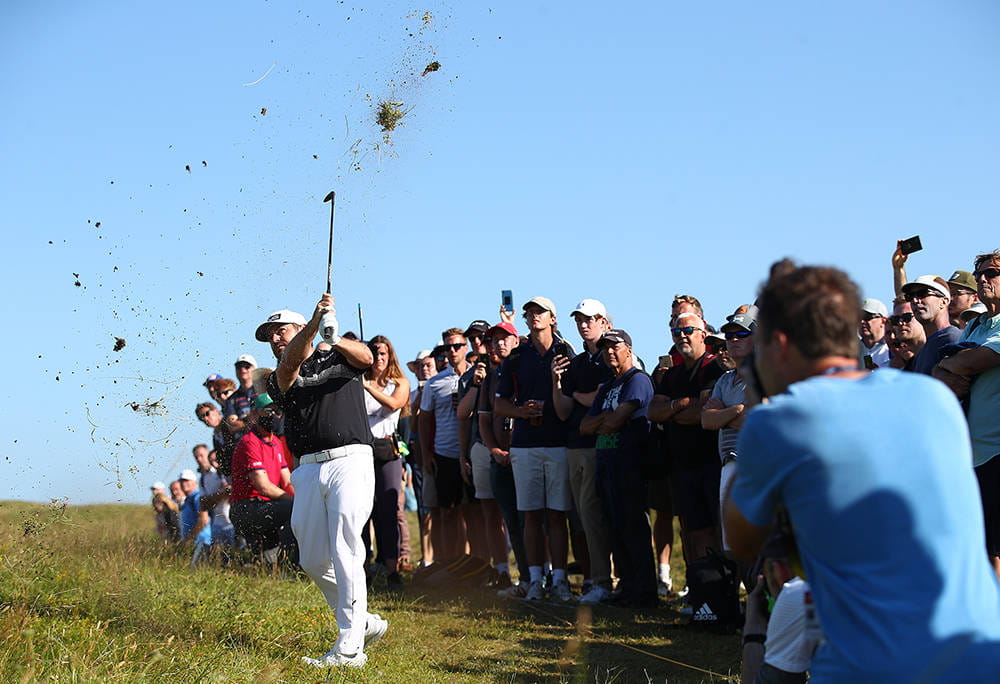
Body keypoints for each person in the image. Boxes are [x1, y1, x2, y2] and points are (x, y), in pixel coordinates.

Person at [724, 259, 1000, 682]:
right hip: (979, 655)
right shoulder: (932, 398)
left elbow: (741, 537)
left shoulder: (780, 421)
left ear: (779, 344)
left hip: (874, 664)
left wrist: (763, 404)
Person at [256, 299, 387, 669]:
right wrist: (315, 323)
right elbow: (290, 367)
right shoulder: (277, 374)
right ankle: (362, 622)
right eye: (270, 335)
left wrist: (336, 337)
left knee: (346, 547)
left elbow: (366, 358)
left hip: (351, 459)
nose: (275, 339)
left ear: (298, 330)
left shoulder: (337, 356)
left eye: (281, 330)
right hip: (309, 469)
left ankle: (350, 648)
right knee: (312, 558)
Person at [495, 296, 574, 602]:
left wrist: (549, 406)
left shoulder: (565, 351)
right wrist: (521, 413)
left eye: (539, 312)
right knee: (530, 514)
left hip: (557, 441)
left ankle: (560, 579)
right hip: (525, 443)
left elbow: (571, 397)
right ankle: (536, 579)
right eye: (529, 313)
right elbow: (499, 403)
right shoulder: (517, 356)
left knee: (556, 514)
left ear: (552, 318)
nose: (533, 316)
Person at [934, 250, 1000, 579]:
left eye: (991, 273)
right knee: (977, 546)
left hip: (997, 451)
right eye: (981, 274)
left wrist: (954, 365)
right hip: (970, 454)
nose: (983, 279)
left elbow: (969, 364)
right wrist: (949, 367)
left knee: (995, 551)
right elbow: (939, 373)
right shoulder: (977, 325)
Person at [580, 329, 657, 608]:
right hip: (606, 463)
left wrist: (605, 420)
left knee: (633, 527)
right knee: (614, 528)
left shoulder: (637, 380)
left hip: (629, 464)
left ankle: (644, 590)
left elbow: (617, 420)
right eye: (605, 349)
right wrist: (606, 418)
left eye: (615, 347)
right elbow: (584, 426)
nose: (609, 352)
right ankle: (626, 586)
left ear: (629, 349)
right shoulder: (609, 386)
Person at [551, 299, 615, 604]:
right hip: (575, 445)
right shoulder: (575, 363)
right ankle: (596, 580)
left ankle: (604, 581)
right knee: (583, 516)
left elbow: (600, 399)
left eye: (589, 319)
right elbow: (564, 411)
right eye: (579, 320)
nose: (583, 324)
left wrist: (575, 393)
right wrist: (557, 382)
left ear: (604, 321)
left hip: (602, 446)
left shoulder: (611, 356)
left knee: (597, 514)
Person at [479, 321, 530, 594]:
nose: (499, 343)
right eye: (494, 339)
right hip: (499, 459)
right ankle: (524, 578)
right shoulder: (491, 377)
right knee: (511, 520)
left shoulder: (527, 370)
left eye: (504, 338)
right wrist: (495, 451)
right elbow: (484, 422)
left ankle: (542, 575)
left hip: (526, 454)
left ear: (516, 341)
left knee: (532, 521)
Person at [702, 307, 754, 556]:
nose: (733, 340)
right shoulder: (724, 380)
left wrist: (722, 415)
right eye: (730, 335)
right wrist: (737, 410)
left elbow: (755, 421)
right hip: (728, 463)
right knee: (733, 546)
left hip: (755, 465)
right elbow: (706, 420)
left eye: (741, 335)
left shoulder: (762, 375)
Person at [362, 334, 411, 591]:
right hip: (363, 450)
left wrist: (369, 387)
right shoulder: (358, 383)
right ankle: (364, 567)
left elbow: (394, 404)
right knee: (362, 511)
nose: (380, 358)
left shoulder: (399, 382)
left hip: (387, 449)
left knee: (388, 510)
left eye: (384, 353)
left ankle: (392, 570)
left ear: (390, 355)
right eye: (375, 353)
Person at [420, 328, 471, 560]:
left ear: (466, 347)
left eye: (457, 346)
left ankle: (476, 565)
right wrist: (427, 454)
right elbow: (424, 422)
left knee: (475, 514)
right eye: (448, 347)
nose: (452, 351)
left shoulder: (478, 376)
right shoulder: (435, 384)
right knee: (447, 513)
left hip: (472, 452)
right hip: (445, 453)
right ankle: (449, 564)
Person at [229, 393, 295, 563]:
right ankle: (290, 563)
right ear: (254, 415)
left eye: (277, 410)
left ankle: (273, 563)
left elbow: (287, 480)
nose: (273, 415)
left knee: (265, 560)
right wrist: (298, 502)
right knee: (295, 510)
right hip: (246, 507)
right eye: (267, 411)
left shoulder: (276, 442)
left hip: (264, 505)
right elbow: (263, 486)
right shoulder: (249, 442)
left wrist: (303, 498)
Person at [902, 275, 961, 374]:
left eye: (922, 294)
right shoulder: (921, 353)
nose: (915, 300)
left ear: (944, 301)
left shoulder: (952, 338)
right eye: (910, 296)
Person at [177, 469, 212, 565]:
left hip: (202, 542)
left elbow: (204, 520)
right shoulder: (188, 499)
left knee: (196, 569)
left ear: (194, 482)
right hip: (195, 543)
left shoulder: (197, 497)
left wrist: (189, 538)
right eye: (181, 481)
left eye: (187, 480)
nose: (184, 483)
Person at [886, 300, 925, 370]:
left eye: (906, 317)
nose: (900, 323)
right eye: (896, 319)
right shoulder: (906, 369)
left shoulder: (937, 352)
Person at [857, 298, 890, 368]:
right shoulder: (851, 351)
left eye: (867, 317)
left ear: (883, 321)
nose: (862, 321)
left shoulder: (893, 349)